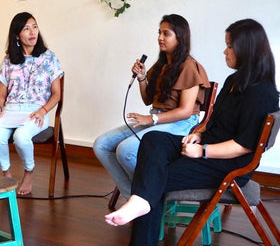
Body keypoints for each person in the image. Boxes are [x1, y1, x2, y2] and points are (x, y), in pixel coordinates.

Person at [105, 18, 279, 246]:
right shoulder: (234, 80)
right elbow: (213, 119)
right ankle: (140, 201)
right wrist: (198, 133)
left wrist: (202, 151)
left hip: (228, 163)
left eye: (229, 46)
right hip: (206, 147)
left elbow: (243, 146)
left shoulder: (261, 93)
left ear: (245, 49)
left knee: (154, 177)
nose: (224, 51)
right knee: (154, 138)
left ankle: (139, 208)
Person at [94, 14, 210, 199]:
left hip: (181, 123)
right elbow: (148, 99)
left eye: (166, 33)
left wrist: (152, 119)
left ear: (180, 37)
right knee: (102, 145)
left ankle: (147, 197)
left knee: (126, 150)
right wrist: (142, 78)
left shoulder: (190, 67)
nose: (160, 38)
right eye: (159, 33)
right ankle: (133, 196)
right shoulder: (162, 64)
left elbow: (186, 111)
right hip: (157, 119)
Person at [0, 12, 63, 195]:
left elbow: (56, 94)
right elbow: (1, 95)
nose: (32, 32)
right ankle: (7, 176)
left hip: (36, 112)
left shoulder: (49, 58)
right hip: (11, 110)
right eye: (26, 28)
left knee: (21, 137)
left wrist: (43, 110)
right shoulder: (8, 61)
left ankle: (29, 173)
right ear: (17, 35)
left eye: (35, 27)